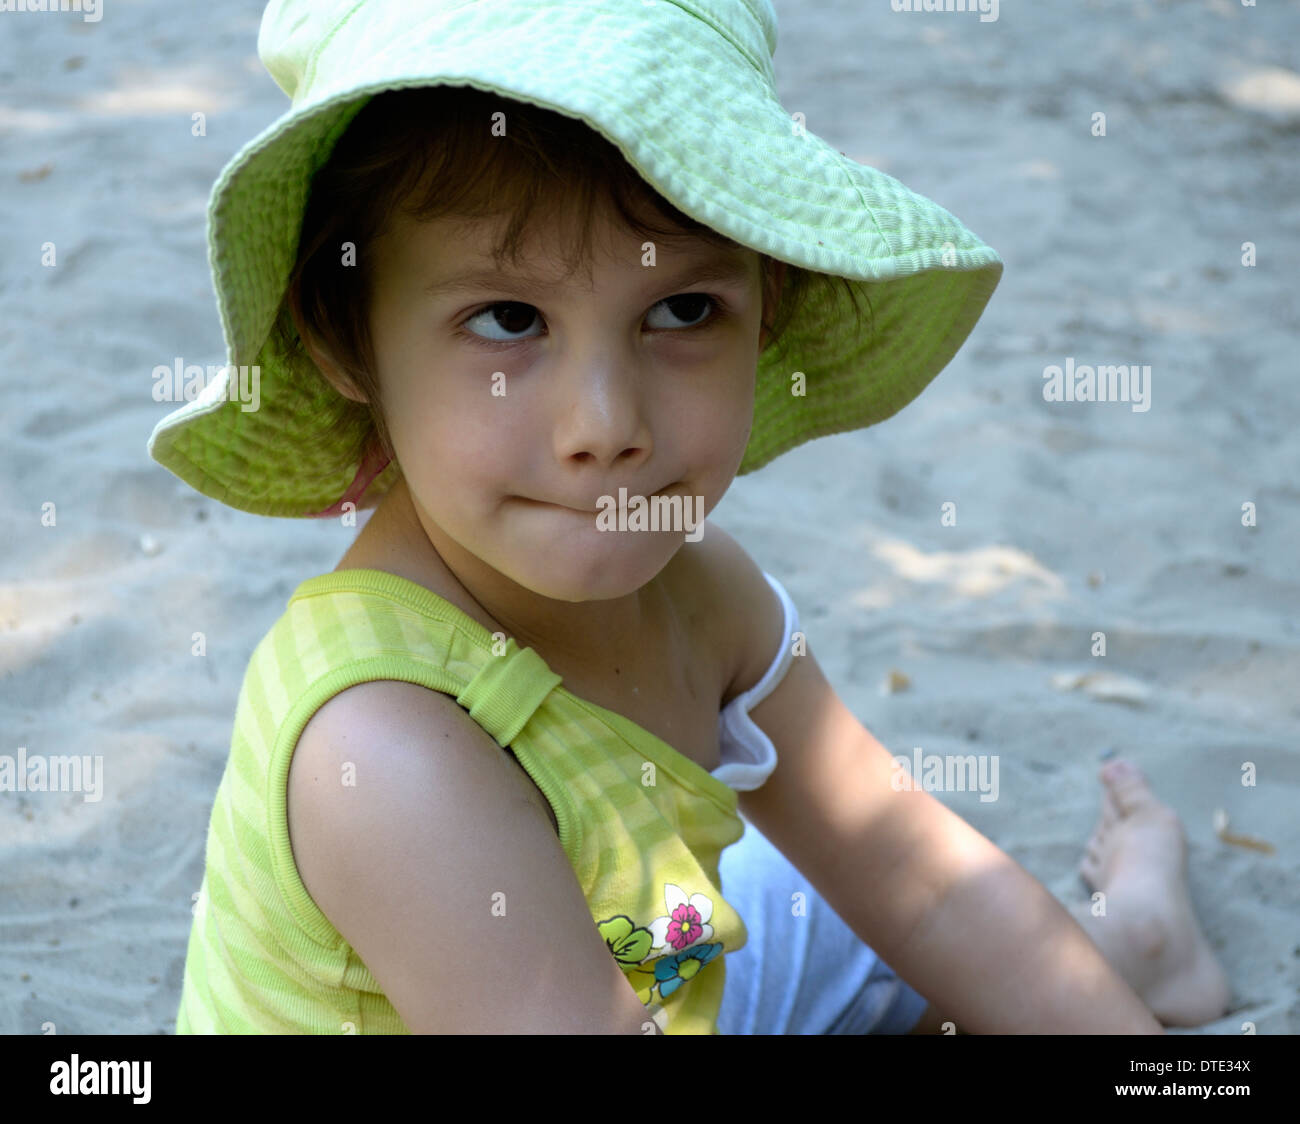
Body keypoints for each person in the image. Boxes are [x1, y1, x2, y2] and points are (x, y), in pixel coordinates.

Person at [154, 0, 1230, 1034]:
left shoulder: (702, 591)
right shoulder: (388, 751)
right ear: (346, 336)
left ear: (771, 307)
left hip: (657, 978)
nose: (606, 425)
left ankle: (1128, 944)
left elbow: (924, 886)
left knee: (847, 925)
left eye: (680, 309)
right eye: (508, 318)